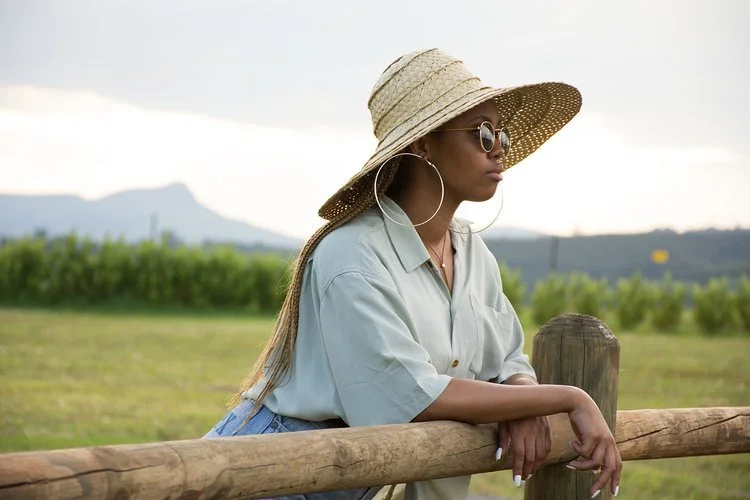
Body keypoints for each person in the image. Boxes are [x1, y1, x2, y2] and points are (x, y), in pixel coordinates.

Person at [204, 48, 622, 500]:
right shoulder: (351, 255)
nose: (499, 147)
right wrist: (570, 398)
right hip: (268, 470)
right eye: (482, 133)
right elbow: (416, 397)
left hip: (347, 476)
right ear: (423, 143)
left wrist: (523, 401)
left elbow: (507, 363)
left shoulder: (473, 253)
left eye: (499, 133)